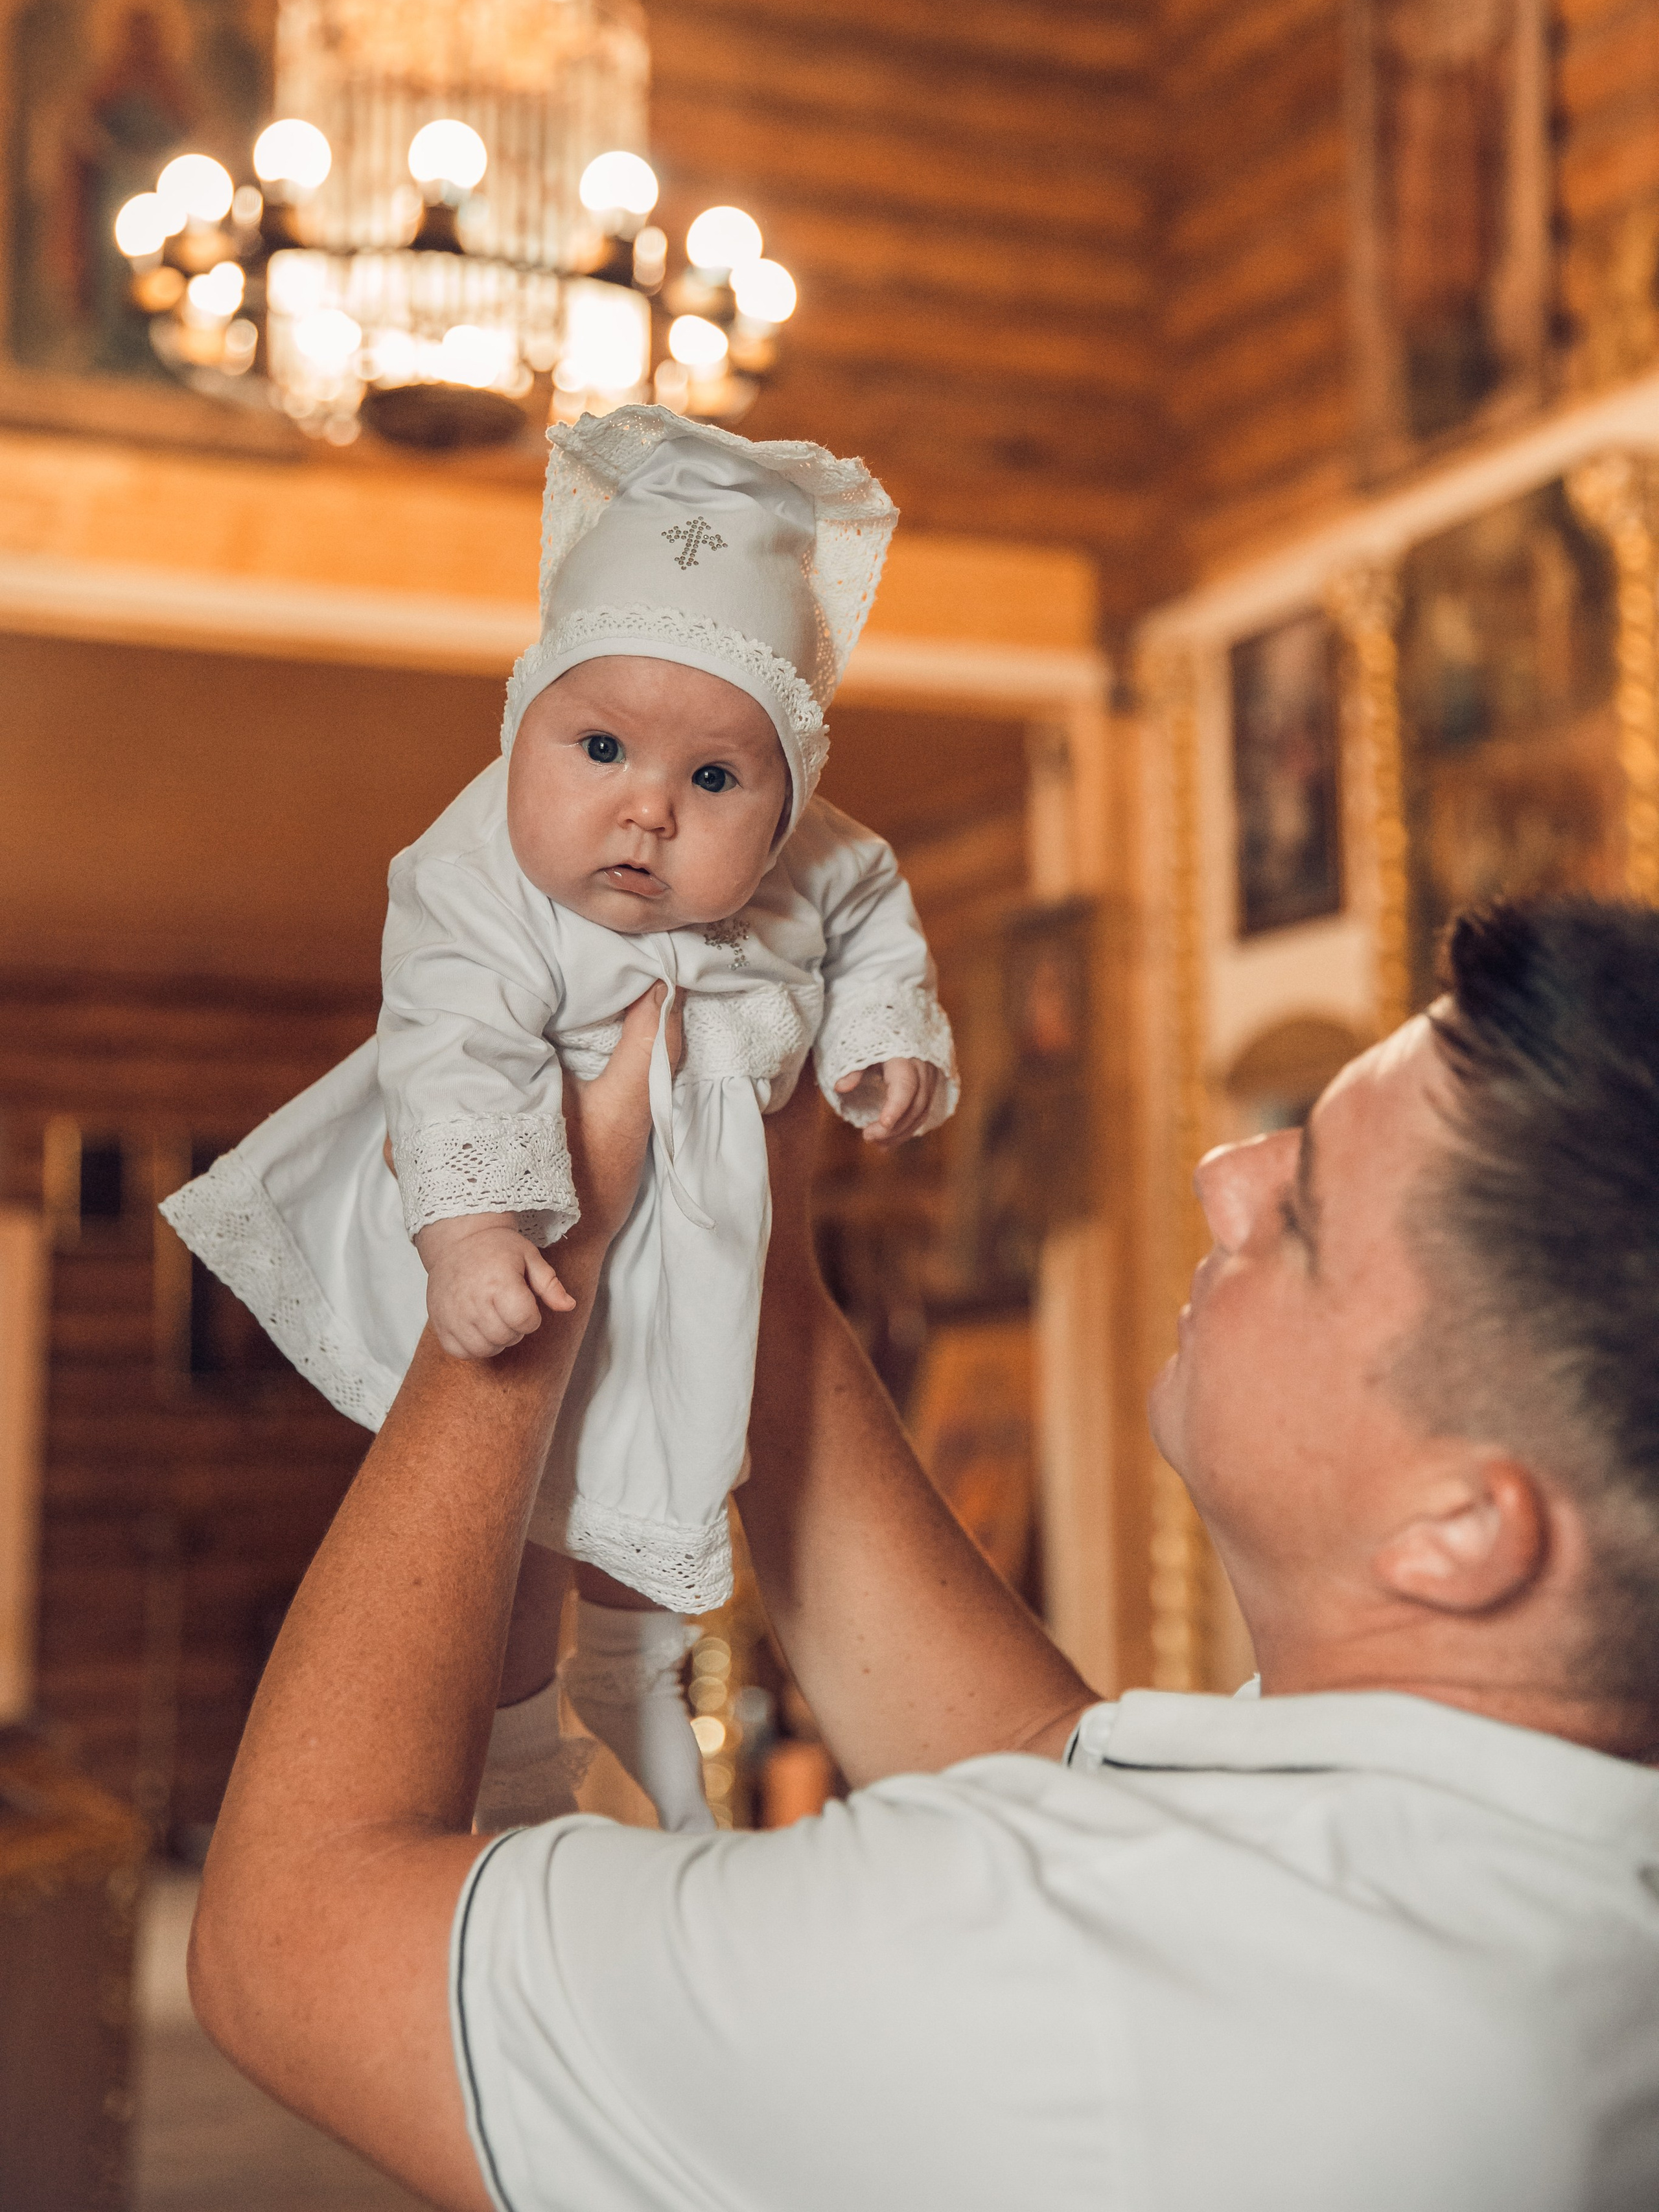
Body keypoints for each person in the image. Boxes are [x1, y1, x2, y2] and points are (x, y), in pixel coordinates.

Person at [188, 897, 1659, 2210]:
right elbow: (1027, 1761)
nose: (1226, 1173)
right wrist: (752, 1256)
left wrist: (522, 1263)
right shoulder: (1503, 1842)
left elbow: (291, 1939)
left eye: (1309, 1212)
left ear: (1465, 1530)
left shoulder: (1076, 1985)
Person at [161, 406, 955, 1836]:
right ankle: (521, 1750)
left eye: (713, 780)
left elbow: (873, 910)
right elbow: (453, 1052)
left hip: (690, 1248)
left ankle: (636, 1689)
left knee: (666, 1472)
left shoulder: (817, 862)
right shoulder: (476, 878)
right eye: (599, 747)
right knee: (518, 1505)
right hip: (528, 1225)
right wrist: (473, 1232)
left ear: (786, 801)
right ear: (520, 724)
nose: (647, 811)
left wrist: (880, 1032)